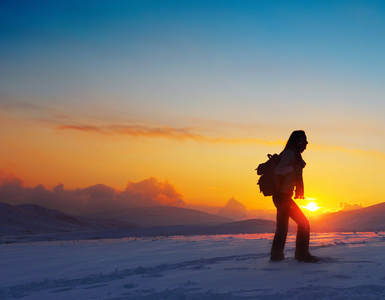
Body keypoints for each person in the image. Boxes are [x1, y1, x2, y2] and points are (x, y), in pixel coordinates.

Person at [270, 130, 319, 263]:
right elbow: (278, 170)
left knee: (282, 228)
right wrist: (294, 168)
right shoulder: (290, 154)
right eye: (304, 140)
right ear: (298, 141)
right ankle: (302, 254)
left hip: (282, 196)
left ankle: (276, 256)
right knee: (304, 224)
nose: (306, 143)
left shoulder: (293, 154)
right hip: (282, 196)